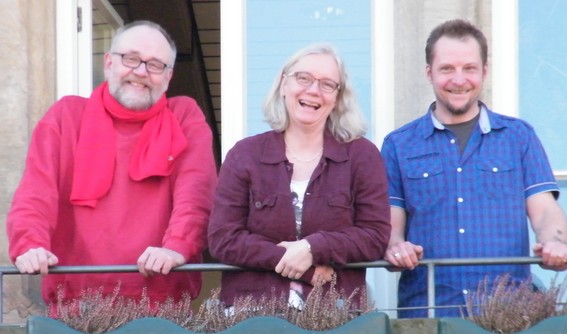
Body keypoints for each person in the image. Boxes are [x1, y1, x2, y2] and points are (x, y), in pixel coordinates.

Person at [7, 20, 217, 306]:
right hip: (76, 302)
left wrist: (177, 247)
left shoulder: (184, 116)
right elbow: (35, 193)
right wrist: (29, 244)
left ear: (168, 77)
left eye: (155, 65)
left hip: (161, 300)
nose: (141, 72)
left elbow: (197, 192)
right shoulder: (66, 116)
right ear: (108, 63)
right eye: (131, 59)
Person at [381, 18, 567, 318]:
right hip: (428, 314)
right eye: (447, 69)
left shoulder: (519, 137)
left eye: (469, 68)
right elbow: (389, 223)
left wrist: (555, 242)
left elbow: (544, 210)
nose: (459, 79)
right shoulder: (398, 145)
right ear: (429, 73)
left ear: (484, 71)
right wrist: (395, 246)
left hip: (508, 315)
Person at [207, 43, 391, 309]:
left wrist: (313, 247)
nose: (313, 90)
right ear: (284, 85)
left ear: (338, 98)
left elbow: (375, 236)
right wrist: (296, 264)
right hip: (253, 313)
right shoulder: (245, 154)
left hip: (334, 311)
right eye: (303, 78)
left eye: (327, 84)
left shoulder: (362, 156)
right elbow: (223, 238)